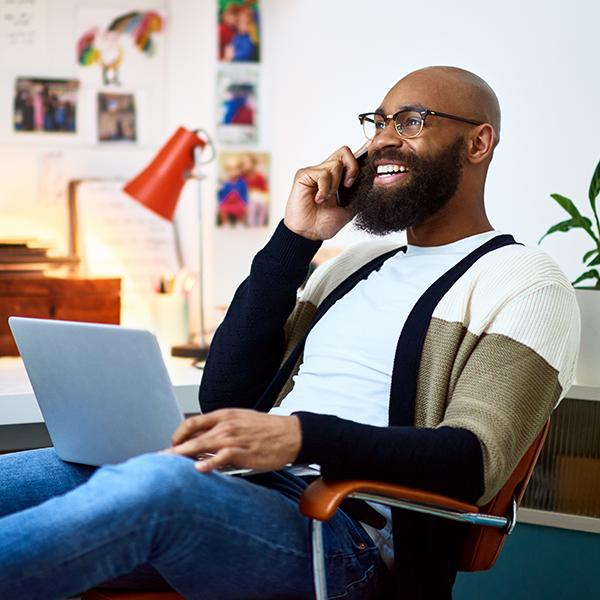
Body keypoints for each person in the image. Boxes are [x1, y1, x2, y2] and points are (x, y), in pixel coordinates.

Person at [0, 66, 579, 600]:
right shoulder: (354, 264)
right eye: (377, 124)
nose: (381, 141)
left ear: (478, 143)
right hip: (238, 494)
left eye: (411, 122)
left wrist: (301, 437)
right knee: (29, 474)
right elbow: (224, 394)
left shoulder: (523, 281)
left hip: (343, 539)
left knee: (158, 487)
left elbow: (474, 461)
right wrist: (296, 238)